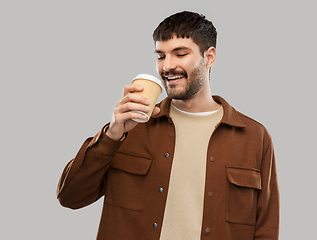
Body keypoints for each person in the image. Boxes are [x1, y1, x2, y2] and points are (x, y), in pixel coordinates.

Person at [57, 11, 280, 240]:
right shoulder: (130, 128)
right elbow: (71, 197)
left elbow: (266, 229)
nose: (167, 66)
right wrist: (112, 134)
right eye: (161, 56)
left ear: (209, 57)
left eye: (180, 54)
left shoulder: (255, 137)